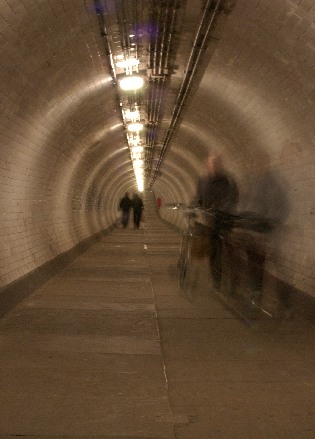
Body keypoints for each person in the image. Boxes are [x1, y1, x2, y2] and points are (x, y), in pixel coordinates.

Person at [192, 152, 238, 291]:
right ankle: (216, 281)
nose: (214, 166)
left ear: (220, 164)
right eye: (211, 163)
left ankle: (233, 281)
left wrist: (221, 209)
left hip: (225, 221)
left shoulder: (228, 181)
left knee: (227, 252)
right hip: (209, 222)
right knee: (214, 253)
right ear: (207, 165)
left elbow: (232, 198)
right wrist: (193, 206)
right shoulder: (203, 181)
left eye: (216, 163)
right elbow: (198, 197)